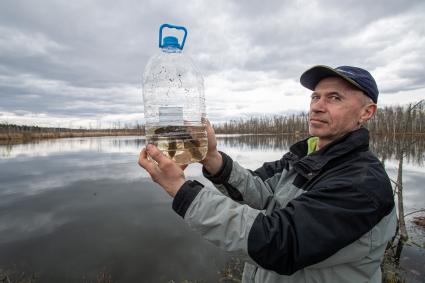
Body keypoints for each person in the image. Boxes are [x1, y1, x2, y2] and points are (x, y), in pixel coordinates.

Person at [138, 65, 397, 283]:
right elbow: (261, 192)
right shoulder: (304, 157)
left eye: (334, 98)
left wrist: (182, 192)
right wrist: (212, 158)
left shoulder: (362, 183)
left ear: (367, 112)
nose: (317, 106)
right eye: (315, 97)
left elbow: (280, 243)